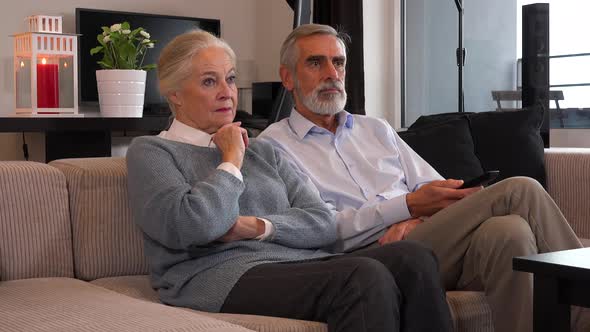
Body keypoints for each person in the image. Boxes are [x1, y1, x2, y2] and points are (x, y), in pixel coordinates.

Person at [258, 23, 586, 332]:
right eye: (316, 63)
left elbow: (437, 190)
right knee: (520, 189)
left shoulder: (375, 128)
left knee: (509, 232)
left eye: (338, 62)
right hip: (364, 259)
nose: (332, 74)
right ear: (287, 78)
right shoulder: (273, 147)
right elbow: (323, 230)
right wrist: (408, 206)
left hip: (424, 239)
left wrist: (415, 216)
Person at [125, 29, 453, 332]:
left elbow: (323, 222)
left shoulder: (265, 151)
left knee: (414, 258)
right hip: (211, 274)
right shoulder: (152, 151)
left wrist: (258, 226)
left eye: (230, 79)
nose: (227, 92)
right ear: (175, 94)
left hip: (298, 263)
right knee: (363, 276)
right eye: (210, 82)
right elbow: (192, 225)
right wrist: (231, 160)